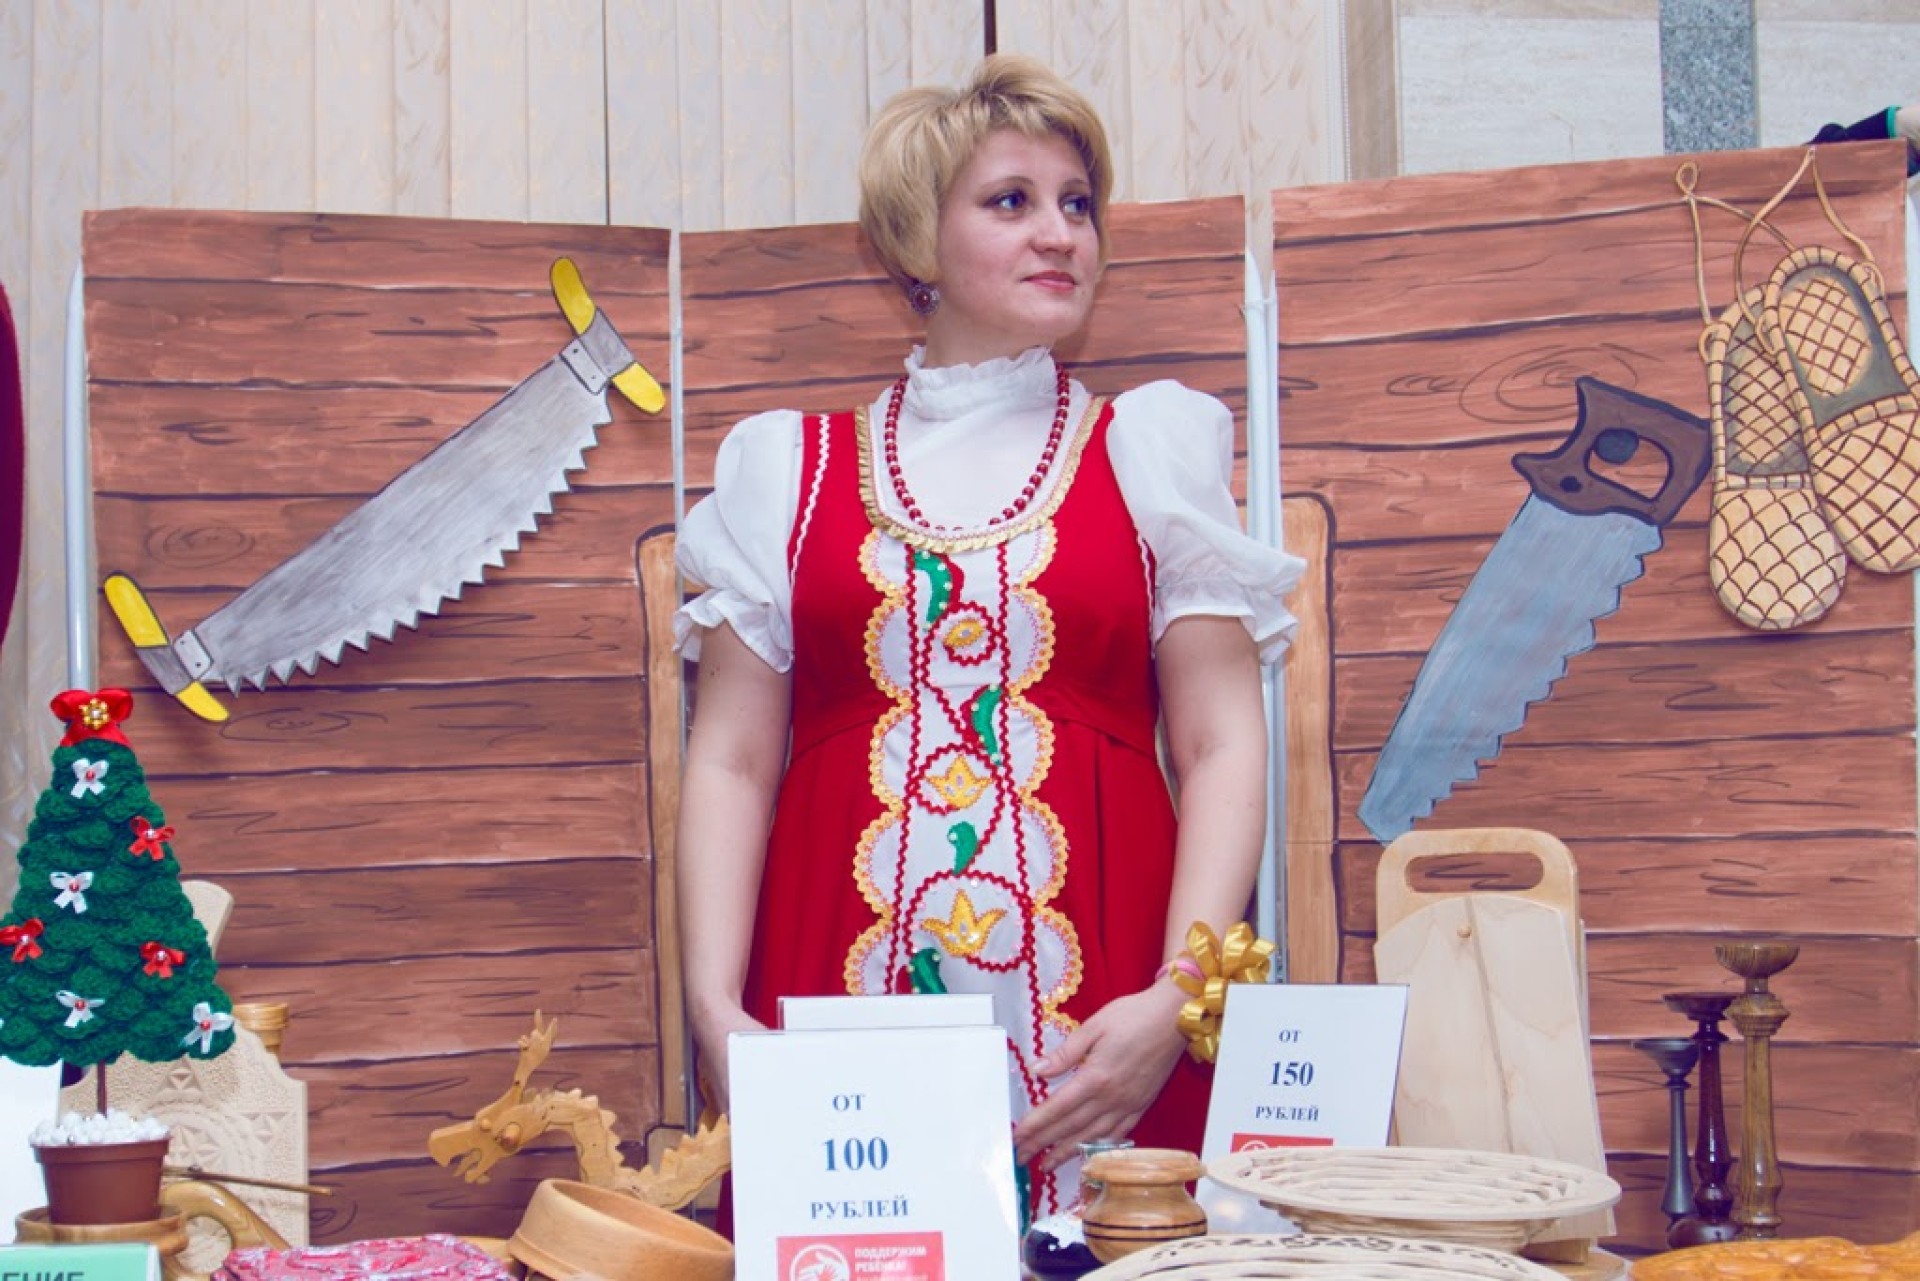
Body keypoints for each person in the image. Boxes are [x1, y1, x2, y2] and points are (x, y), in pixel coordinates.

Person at [672, 53, 1303, 1217]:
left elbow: (1221, 743)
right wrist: (714, 1011)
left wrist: (1177, 998)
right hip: (833, 981)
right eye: (1011, 201)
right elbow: (731, 760)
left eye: (1079, 204)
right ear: (917, 239)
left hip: (1113, 999)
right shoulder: (785, 473)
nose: (1060, 233)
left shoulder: (1150, 450)